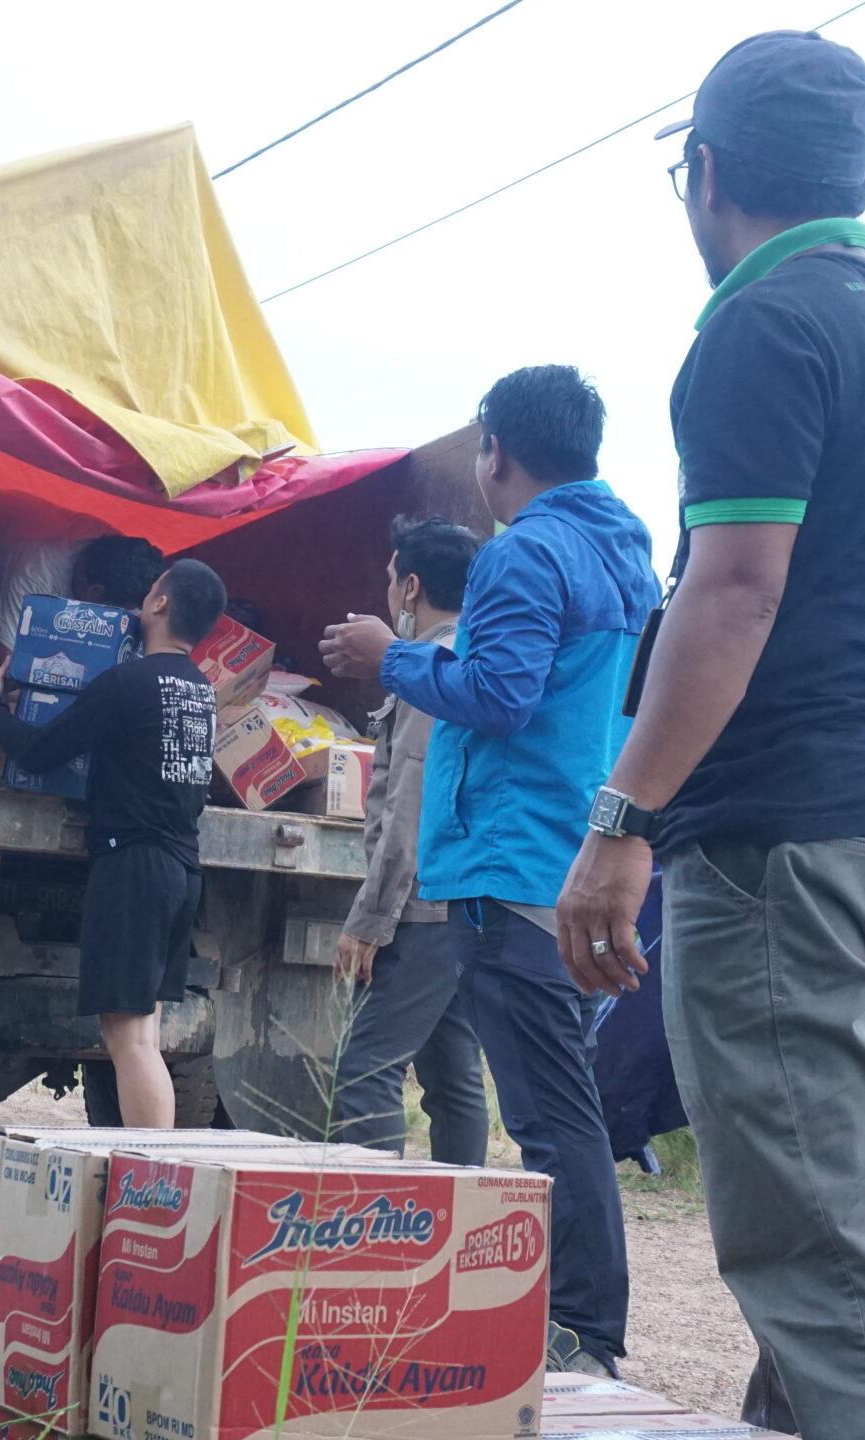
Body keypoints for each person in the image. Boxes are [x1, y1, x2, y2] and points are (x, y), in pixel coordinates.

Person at [552, 31, 865, 1438]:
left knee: (826, 1262)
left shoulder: (762, 326)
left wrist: (624, 821)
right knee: (821, 1233)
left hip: (780, 849)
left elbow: (731, 591)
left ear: (707, 173)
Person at [321, 366, 659, 1377]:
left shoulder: (524, 552)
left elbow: (500, 695)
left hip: (508, 862)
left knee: (551, 1118)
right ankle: (573, 1323)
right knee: (553, 1104)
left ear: (495, 453)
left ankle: (582, 1335)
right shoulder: (626, 549)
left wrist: (389, 656)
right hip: (569, 854)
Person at [0, 558, 224, 1128]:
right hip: (181, 868)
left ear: (160, 604)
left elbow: (40, 751)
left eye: (151, 589)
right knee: (145, 1033)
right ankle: (151, 1161)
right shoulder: (201, 690)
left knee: (128, 1037)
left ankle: (151, 1168)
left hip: (134, 867)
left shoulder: (126, 684)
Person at [329, 516, 488, 1166]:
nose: (389, 591)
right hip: (461, 902)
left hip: (421, 907)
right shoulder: (469, 661)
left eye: (392, 579)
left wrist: (370, 920)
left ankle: (370, 1218)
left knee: (364, 1069)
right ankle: (463, 1212)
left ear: (412, 587)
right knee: (452, 1077)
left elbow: (409, 808)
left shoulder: (427, 672)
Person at [0, 489, 166, 729]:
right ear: (95, 592)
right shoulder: (37, 572)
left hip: (5, 543)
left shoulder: (128, 570)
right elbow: (4, 661)